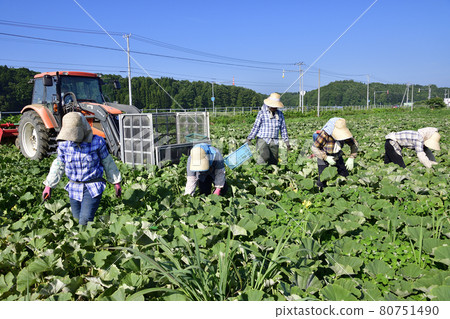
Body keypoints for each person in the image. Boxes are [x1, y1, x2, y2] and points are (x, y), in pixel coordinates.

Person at [42, 112, 122, 226]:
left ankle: (86, 241)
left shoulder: (97, 142)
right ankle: (79, 241)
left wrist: (116, 182)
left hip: (92, 187)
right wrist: (48, 186)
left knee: (85, 220)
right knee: (75, 220)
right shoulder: (64, 145)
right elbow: (58, 165)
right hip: (74, 188)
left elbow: (107, 162)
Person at [311, 117, 358, 189]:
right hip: (323, 155)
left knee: (344, 175)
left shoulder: (344, 134)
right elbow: (314, 148)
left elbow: (354, 144)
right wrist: (325, 157)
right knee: (323, 177)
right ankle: (321, 192)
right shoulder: (325, 134)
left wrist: (352, 157)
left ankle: (344, 190)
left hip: (337, 155)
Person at [246, 92, 290, 165]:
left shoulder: (280, 114)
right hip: (263, 139)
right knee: (264, 156)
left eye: (276, 106)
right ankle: (257, 170)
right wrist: (249, 138)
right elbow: (256, 126)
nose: (274, 108)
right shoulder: (262, 113)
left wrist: (286, 141)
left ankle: (271, 174)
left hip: (274, 140)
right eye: (273, 106)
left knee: (274, 160)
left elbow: (283, 129)